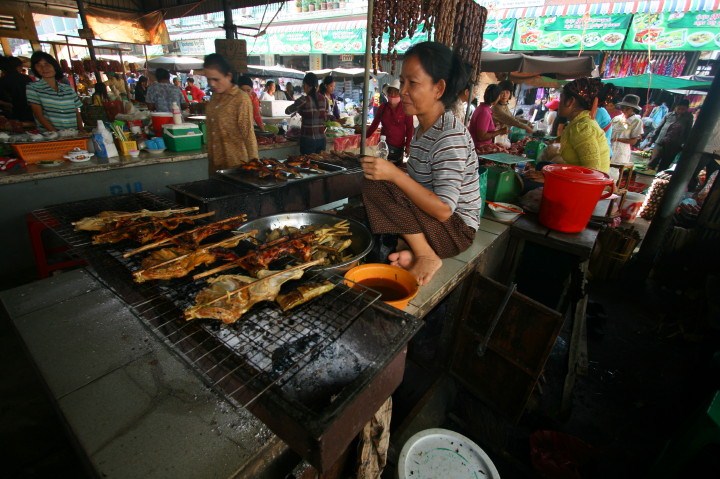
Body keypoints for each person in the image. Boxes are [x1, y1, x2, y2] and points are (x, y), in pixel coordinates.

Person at [360, 41, 480, 286]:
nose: (402, 90)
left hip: (456, 231)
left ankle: (426, 255)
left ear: (438, 89)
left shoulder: (449, 136)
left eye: (412, 83)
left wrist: (394, 174)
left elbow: (444, 209)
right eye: (402, 81)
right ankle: (417, 250)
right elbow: (417, 190)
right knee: (381, 179)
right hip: (436, 226)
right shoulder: (424, 130)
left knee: (381, 183)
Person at [526, 77, 610, 181]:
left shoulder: (582, 127)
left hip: (586, 192)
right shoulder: (578, 124)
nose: (558, 105)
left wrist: (549, 178)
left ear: (570, 102)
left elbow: (593, 173)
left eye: (561, 100)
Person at [203, 53, 258, 174]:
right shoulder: (214, 98)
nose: (212, 84)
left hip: (236, 166)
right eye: (208, 79)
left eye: (216, 79)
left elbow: (248, 134)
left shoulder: (241, 99)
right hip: (214, 166)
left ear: (228, 76)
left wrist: (255, 165)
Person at [25, 51, 82, 132]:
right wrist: (57, 134)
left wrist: (81, 131)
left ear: (54, 66)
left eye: (47, 64)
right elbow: (39, 115)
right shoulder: (33, 88)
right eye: (39, 65)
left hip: (73, 135)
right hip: (51, 138)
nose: (44, 68)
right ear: (35, 69)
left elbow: (76, 113)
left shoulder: (68, 89)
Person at [363, 78, 413, 165]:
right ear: (388, 93)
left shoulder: (405, 108)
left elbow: (410, 128)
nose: (393, 95)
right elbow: (374, 124)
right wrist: (364, 136)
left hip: (398, 146)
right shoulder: (383, 107)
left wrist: (408, 146)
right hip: (383, 145)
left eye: (396, 92)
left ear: (400, 94)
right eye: (391, 92)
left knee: (395, 170)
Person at [285, 72, 328, 154]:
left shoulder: (303, 100)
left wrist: (297, 108)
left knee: (308, 164)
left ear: (306, 85)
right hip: (322, 139)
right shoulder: (324, 99)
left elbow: (287, 111)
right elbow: (324, 116)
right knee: (319, 164)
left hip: (308, 140)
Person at [648, 99, 694, 172]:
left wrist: (684, 144)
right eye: (679, 108)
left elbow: (688, 131)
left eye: (683, 109)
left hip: (674, 145)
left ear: (687, 109)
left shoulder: (688, 117)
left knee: (665, 165)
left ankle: (657, 180)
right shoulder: (668, 115)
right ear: (675, 107)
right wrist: (652, 139)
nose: (680, 110)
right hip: (660, 142)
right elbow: (659, 128)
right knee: (653, 161)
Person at [610, 94, 644, 165]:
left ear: (633, 109)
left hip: (621, 152)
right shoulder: (616, 118)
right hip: (609, 149)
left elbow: (633, 141)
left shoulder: (637, 121)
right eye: (623, 107)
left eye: (627, 108)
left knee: (614, 172)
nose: (624, 110)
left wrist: (617, 139)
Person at [0, 56, 33, 123]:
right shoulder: (27, 79)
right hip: (29, 113)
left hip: (10, 114)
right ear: (19, 67)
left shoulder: (1, 81)